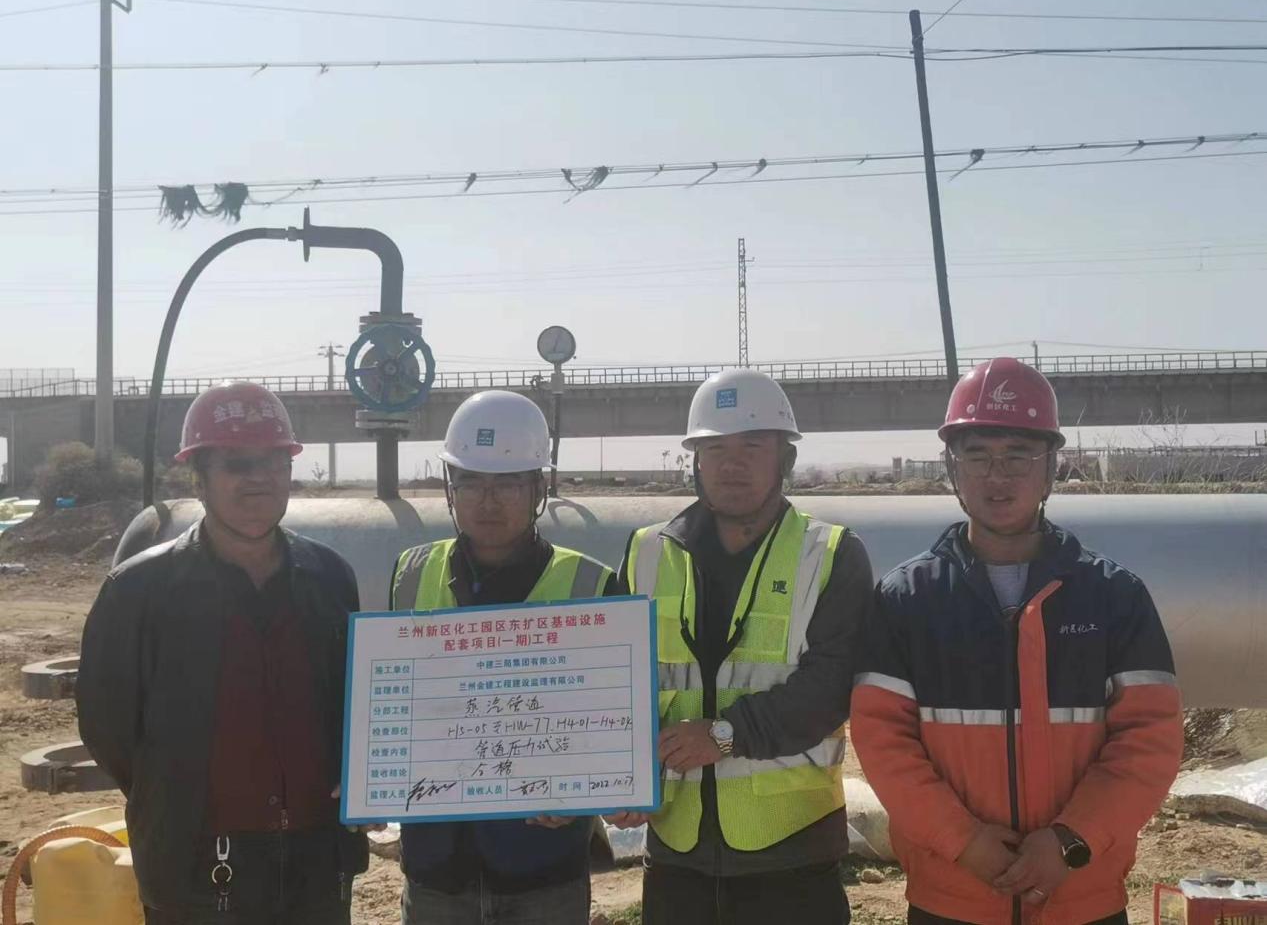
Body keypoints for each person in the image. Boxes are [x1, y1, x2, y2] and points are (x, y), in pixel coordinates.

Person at [851, 357, 1184, 925]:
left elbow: (1148, 741)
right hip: (950, 898)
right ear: (952, 468)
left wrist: (1070, 840)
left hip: (1079, 899)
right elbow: (883, 742)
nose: (996, 475)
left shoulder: (1113, 596)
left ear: (1051, 467)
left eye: (1018, 455)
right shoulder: (907, 600)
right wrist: (962, 841)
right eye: (977, 455)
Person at [78, 381, 369, 924]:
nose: (260, 479)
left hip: (316, 866)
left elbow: (353, 704)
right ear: (199, 477)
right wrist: (176, 794)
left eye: (274, 462)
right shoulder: (139, 592)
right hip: (195, 872)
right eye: (238, 463)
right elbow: (108, 730)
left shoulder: (329, 578)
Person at [608, 368, 873, 925]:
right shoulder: (645, 553)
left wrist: (724, 735)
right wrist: (619, 775)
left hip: (793, 853)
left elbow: (830, 687)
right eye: (715, 449)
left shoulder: (830, 554)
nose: (732, 464)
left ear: (784, 459)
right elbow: (613, 679)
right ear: (696, 462)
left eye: (752, 446)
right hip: (677, 854)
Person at [389, 389, 618, 925]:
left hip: (543, 868)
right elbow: (392, 701)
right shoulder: (410, 574)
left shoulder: (591, 585)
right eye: (471, 482)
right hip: (437, 868)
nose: (487, 501)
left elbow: (608, 724)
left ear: (539, 488)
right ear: (450, 487)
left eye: (508, 483)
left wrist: (585, 794)